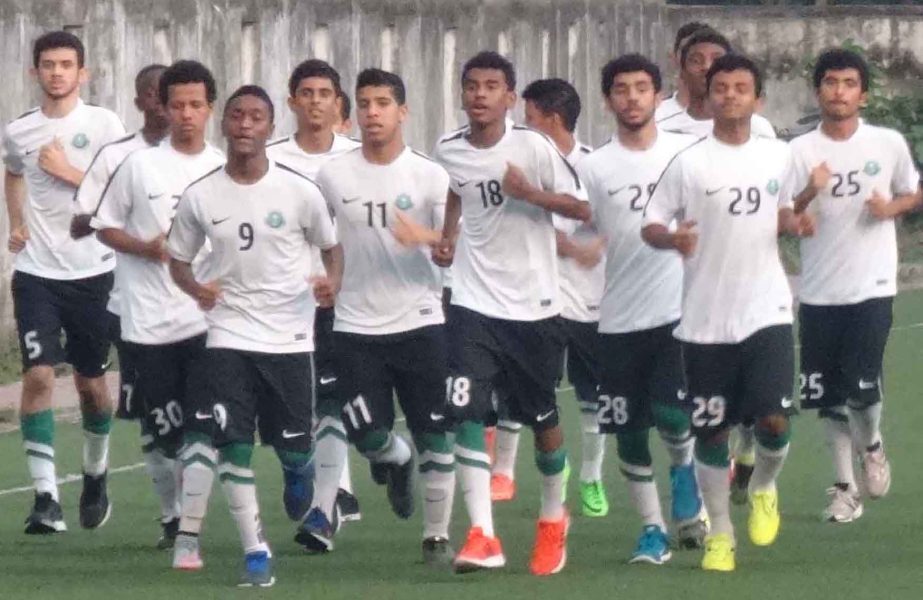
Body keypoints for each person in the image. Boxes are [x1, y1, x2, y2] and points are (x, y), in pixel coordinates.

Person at [642, 54, 814, 573]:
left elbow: (786, 210)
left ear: (758, 99)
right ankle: (722, 533)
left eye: (742, 87)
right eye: (722, 87)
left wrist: (795, 222)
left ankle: (761, 483)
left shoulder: (779, 156)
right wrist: (673, 238)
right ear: (708, 96)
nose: (731, 95)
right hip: (703, 322)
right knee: (711, 433)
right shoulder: (690, 163)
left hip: (766, 311)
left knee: (774, 419)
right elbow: (650, 224)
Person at [168, 84, 342, 588]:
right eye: (237, 116)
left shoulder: (299, 191)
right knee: (234, 447)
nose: (245, 125)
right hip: (227, 334)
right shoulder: (201, 194)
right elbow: (178, 260)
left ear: (269, 127)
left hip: (289, 339)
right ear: (224, 124)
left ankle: (298, 469)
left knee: (292, 451)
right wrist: (197, 290)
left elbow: (331, 249)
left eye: (256, 117)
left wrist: (334, 285)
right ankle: (256, 550)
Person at [432, 51, 589, 576]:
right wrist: (449, 235)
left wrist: (528, 193)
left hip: (535, 307)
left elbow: (581, 207)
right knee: (466, 410)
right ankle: (482, 534)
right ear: (462, 93)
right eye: (471, 85)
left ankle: (551, 516)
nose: (480, 94)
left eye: (491, 85)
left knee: (542, 417)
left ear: (508, 96)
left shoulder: (534, 147)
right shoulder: (449, 149)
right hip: (473, 302)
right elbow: (458, 190)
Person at [299, 68, 457, 567]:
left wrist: (428, 239)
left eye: (383, 103)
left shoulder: (430, 175)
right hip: (354, 324)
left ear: (402, 111)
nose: (372, 113)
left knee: (435, 430)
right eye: (364, 104)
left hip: (421, 319)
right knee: (365, 433)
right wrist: (329, 278)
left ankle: (435, 535)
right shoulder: (333, 175)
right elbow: (324, 239)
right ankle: (395, 457)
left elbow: (457, 245)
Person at [92, 60, 225, 562]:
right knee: (162, 434)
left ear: (209, 108)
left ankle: (187, 529)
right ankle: (172, 513)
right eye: (178, 105)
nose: (187, 114)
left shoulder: (221, 167)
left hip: (207, 320)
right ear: (163, 108)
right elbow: (103, 226)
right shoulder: (139, 166)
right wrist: (145, 248)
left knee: (200, 427)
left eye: (196, 104)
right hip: (147, 322)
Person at [581, 53, 706, 563]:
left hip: (678, 311)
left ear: (658, 96)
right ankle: (653, 530)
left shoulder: (689, 154)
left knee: (674, 414)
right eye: (621, 89)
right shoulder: (594, 166)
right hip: (615, 319)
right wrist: (576, 248)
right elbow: (575, 231)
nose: (631, 98)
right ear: (608, 99)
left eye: (641, 88)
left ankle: (684, 476)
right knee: (629, 432)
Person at [790, 48, 921, 523]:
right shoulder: (799, 152)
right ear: (818, 90)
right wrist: (807, 195)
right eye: (830, 82)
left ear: (862, 94)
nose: (839, 91)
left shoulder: (886, 143)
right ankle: (845, 488)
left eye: (848, 83)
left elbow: (913, 189)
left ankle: (874, 445)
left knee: (862, 390)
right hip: (820, 290)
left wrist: (892, 209)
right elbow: (786, 215)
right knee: (827, 397)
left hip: (873, 284)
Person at [2, 30, 125, 534]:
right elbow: (13, 173)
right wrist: (16, 220)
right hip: (36, 273)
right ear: (35, 72)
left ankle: (95, 474)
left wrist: (69, 171)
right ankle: (46, 498)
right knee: (37, 375)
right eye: (48, 64)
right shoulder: (18, 130)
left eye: (66, 64)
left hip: (93, 272)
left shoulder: (103, 123)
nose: (57, 72)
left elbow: (120, 191)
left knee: (92, 387)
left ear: (83, 73)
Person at [487, 77, 608, 519]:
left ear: (552, 120)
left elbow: (602, 222)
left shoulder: (594, 168)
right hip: (534, 298)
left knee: (593, 398)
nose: (523, 124)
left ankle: (592, 476)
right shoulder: (517, 162)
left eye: (531, 117)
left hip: (587, 301)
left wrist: (592, 246)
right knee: (523, 389)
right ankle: (503, 470)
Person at [266, 58, 362, 524]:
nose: (315, 102)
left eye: (325, 94)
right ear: (292, 102)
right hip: (288, 297)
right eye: (306, 93)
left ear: (337, 103)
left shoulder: (357, 157)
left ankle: (338, 488)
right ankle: (311, 476)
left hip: (345, 294)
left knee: (333, 394)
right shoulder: (272, 158)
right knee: (300, 398)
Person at [72, 63, 168, 425]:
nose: (160, 100)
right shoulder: (117, 156)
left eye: (168, 91)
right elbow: (81, 222)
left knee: (197, 412)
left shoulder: (207, 159)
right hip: (135, 306)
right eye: (151, 93)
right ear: (138, 101)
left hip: (193, 308)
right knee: (150, 416)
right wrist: (136, 235)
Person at [656, 29, 776, 140]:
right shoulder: (662, 126)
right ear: (682, 71)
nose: (707, 67)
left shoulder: (757, 128)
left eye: (716, 60)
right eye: (697, 61)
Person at [655, 21, 710, 123]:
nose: (705, 65)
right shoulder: (655, 117)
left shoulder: (742, 118)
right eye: (686, 50)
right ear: (674, 57)